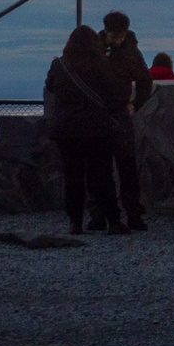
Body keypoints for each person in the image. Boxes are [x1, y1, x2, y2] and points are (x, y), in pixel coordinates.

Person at [45, 25, 129, 235]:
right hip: (96, 129)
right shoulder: (100, 63)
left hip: (66, 130)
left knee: (73, 177)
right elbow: (113, 91)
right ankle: (113, 221)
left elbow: (50, 86)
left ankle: (75, 222)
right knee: (103, 176)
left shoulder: (59, 65)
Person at [91, 10, 153, 232]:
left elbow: (145, 82)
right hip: (98, 115)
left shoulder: (131, 53)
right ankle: (99, 215)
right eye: (113, 36)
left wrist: (135, 104)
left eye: (119, 36)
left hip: (120, 114)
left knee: (127, 167)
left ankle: (133, 215)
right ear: (106, 32)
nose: (116, 40)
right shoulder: (95, 50)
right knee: (100, 168)